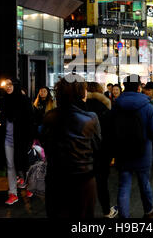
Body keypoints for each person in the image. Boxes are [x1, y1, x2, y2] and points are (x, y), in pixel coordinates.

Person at [40, 76, 101, 218]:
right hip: (83, 179)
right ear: (80, 92)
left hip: (56, 178)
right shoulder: (91, 118)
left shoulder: (50, 116)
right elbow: (98, 147)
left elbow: (45, 142)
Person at [112, 75, 153, 218]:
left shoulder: (116, 105)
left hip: (122, 150)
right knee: (144, 183)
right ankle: (148, 210)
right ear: (139, 87)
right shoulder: (147, 106)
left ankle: (124, 217)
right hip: (142, 151)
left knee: (124, 185)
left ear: (123, 87)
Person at [0, 79, 33, 205]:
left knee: (22, 165)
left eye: (11, 85)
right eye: (7, 85)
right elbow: (1, 120)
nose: (8, 87)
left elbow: (30, 121)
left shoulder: (24, 100)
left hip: (21, 139)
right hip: (7, 139)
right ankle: (13, 193)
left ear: (16, 85)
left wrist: (29, 140)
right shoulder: (3, 100)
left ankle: (29, 186)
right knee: (10, 166)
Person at [85, 82, 117, 218]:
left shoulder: (81, 107)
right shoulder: (105, 107)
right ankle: (106, 211)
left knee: (85, 182)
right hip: (103, 151)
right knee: (102, 182)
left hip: (84, 151)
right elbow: (111, 132)